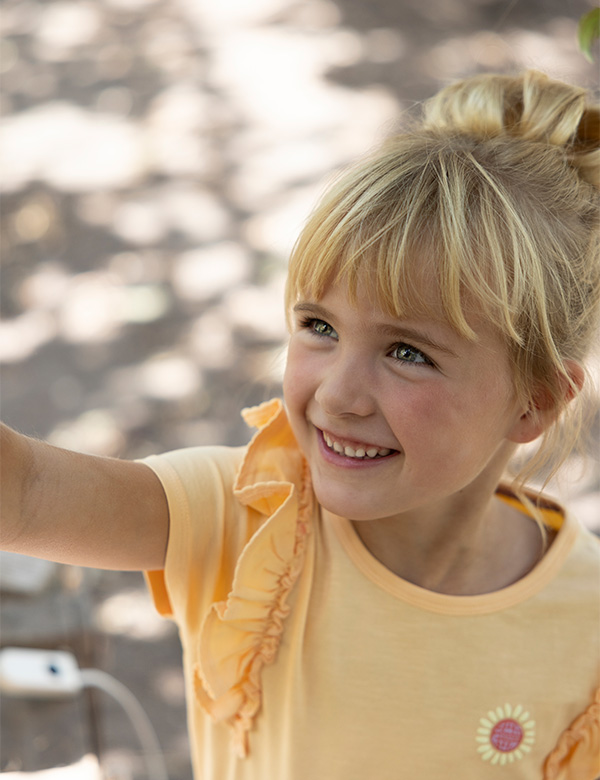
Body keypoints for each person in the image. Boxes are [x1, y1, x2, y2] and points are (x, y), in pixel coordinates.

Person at [1, 70, 599, 779]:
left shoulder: (584, 626)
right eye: (319, 326)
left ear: (535, 400)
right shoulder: (247, 515)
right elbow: (28, 490)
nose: (339, 393)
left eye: (407, 352)